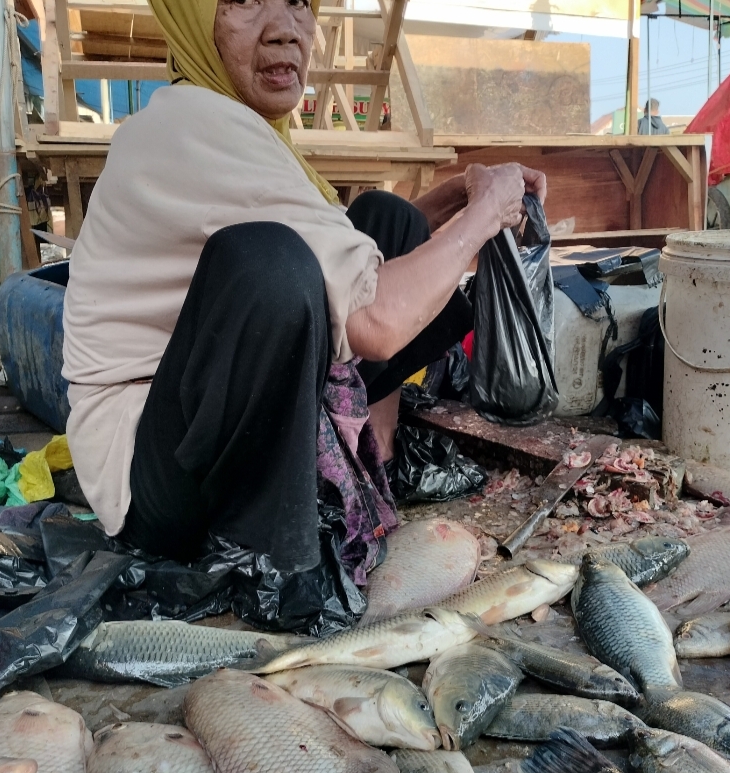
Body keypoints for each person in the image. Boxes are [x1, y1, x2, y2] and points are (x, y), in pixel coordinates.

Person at [61, 0, 546, 581]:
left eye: (299, 3)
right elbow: (377, 320)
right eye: (244, 2)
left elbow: (345, 256)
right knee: (269, 266)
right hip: (153, 482)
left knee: (383, 219)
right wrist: (489, 212)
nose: (285, 31)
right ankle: (273, 558)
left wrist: (455, 201)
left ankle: (376, 458)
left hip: (210, 424)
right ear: (193, 18)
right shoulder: (192, 126)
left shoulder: (240, 123)